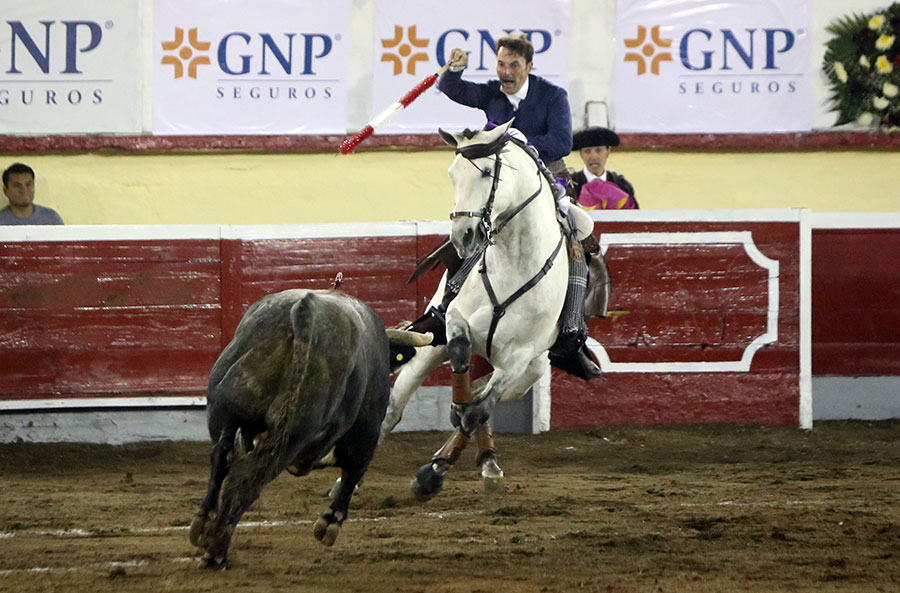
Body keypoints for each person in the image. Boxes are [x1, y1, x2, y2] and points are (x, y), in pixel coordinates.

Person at [439, 34, 572, 175]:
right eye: (501, 64)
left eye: (514, 65)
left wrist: (520, 143)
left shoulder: (554, 95)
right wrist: (456, 69)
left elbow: (562, 143)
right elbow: (451, 88)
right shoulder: (491, 92)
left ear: (529, 67)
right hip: (504, 175)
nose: (506, 72)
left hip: (547, 172)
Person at [571, 127, 638, 209]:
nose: (593, 157)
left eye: (599, 150)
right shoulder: (571, 185)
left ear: (608, 152)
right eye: (587, 151)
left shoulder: (622, 185)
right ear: (581, 154)